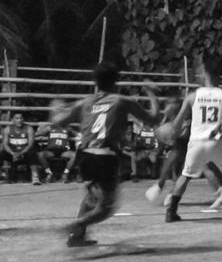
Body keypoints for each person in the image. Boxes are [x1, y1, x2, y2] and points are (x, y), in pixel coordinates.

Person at [50, 62, 160, 247]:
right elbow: (154, 118)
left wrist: (56, 108)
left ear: (96, 81)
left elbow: (58, 122)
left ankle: (77, 236)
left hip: (84, 155)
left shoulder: (85, 102)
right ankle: (77, 224)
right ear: (116, 81)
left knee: (92, 198)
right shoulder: (121, 101)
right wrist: (150, 92)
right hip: (104, 155)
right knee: (107, 207)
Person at [161, 56, 222, 223]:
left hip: (197, 143)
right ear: (220, 75)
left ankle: (171, 211)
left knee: (185, 176)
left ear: (203, 73)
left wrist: (170, 135)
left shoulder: (192, 97)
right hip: (218, 141)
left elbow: (177, 124)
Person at [0, 111, 42, 186]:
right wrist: (12, 153)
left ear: (23, 119)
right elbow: (5, 144)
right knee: (1, 154)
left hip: (25, 152)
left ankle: (35, 177)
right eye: (17, 118)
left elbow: (30, 144)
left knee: (32, 153)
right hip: (12, 152)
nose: (19, 120)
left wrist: (22, 153)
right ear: (12, 120)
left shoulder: (29, 129)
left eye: (21, 118)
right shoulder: (7, 129)